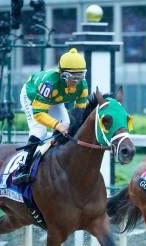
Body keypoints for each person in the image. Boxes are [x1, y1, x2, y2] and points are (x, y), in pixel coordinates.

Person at [12, 48, 89, 185]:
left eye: (80, 76)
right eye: (73, 77)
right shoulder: (49, 83)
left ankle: (55, 160)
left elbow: (80, 113)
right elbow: (39, 113)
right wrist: (58, 126)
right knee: (39, 132)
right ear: (63, 75)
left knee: (67, 124)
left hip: (54, 99)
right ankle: (22, 168)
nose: (77, 81)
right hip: (32, 97)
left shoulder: (83, 85)